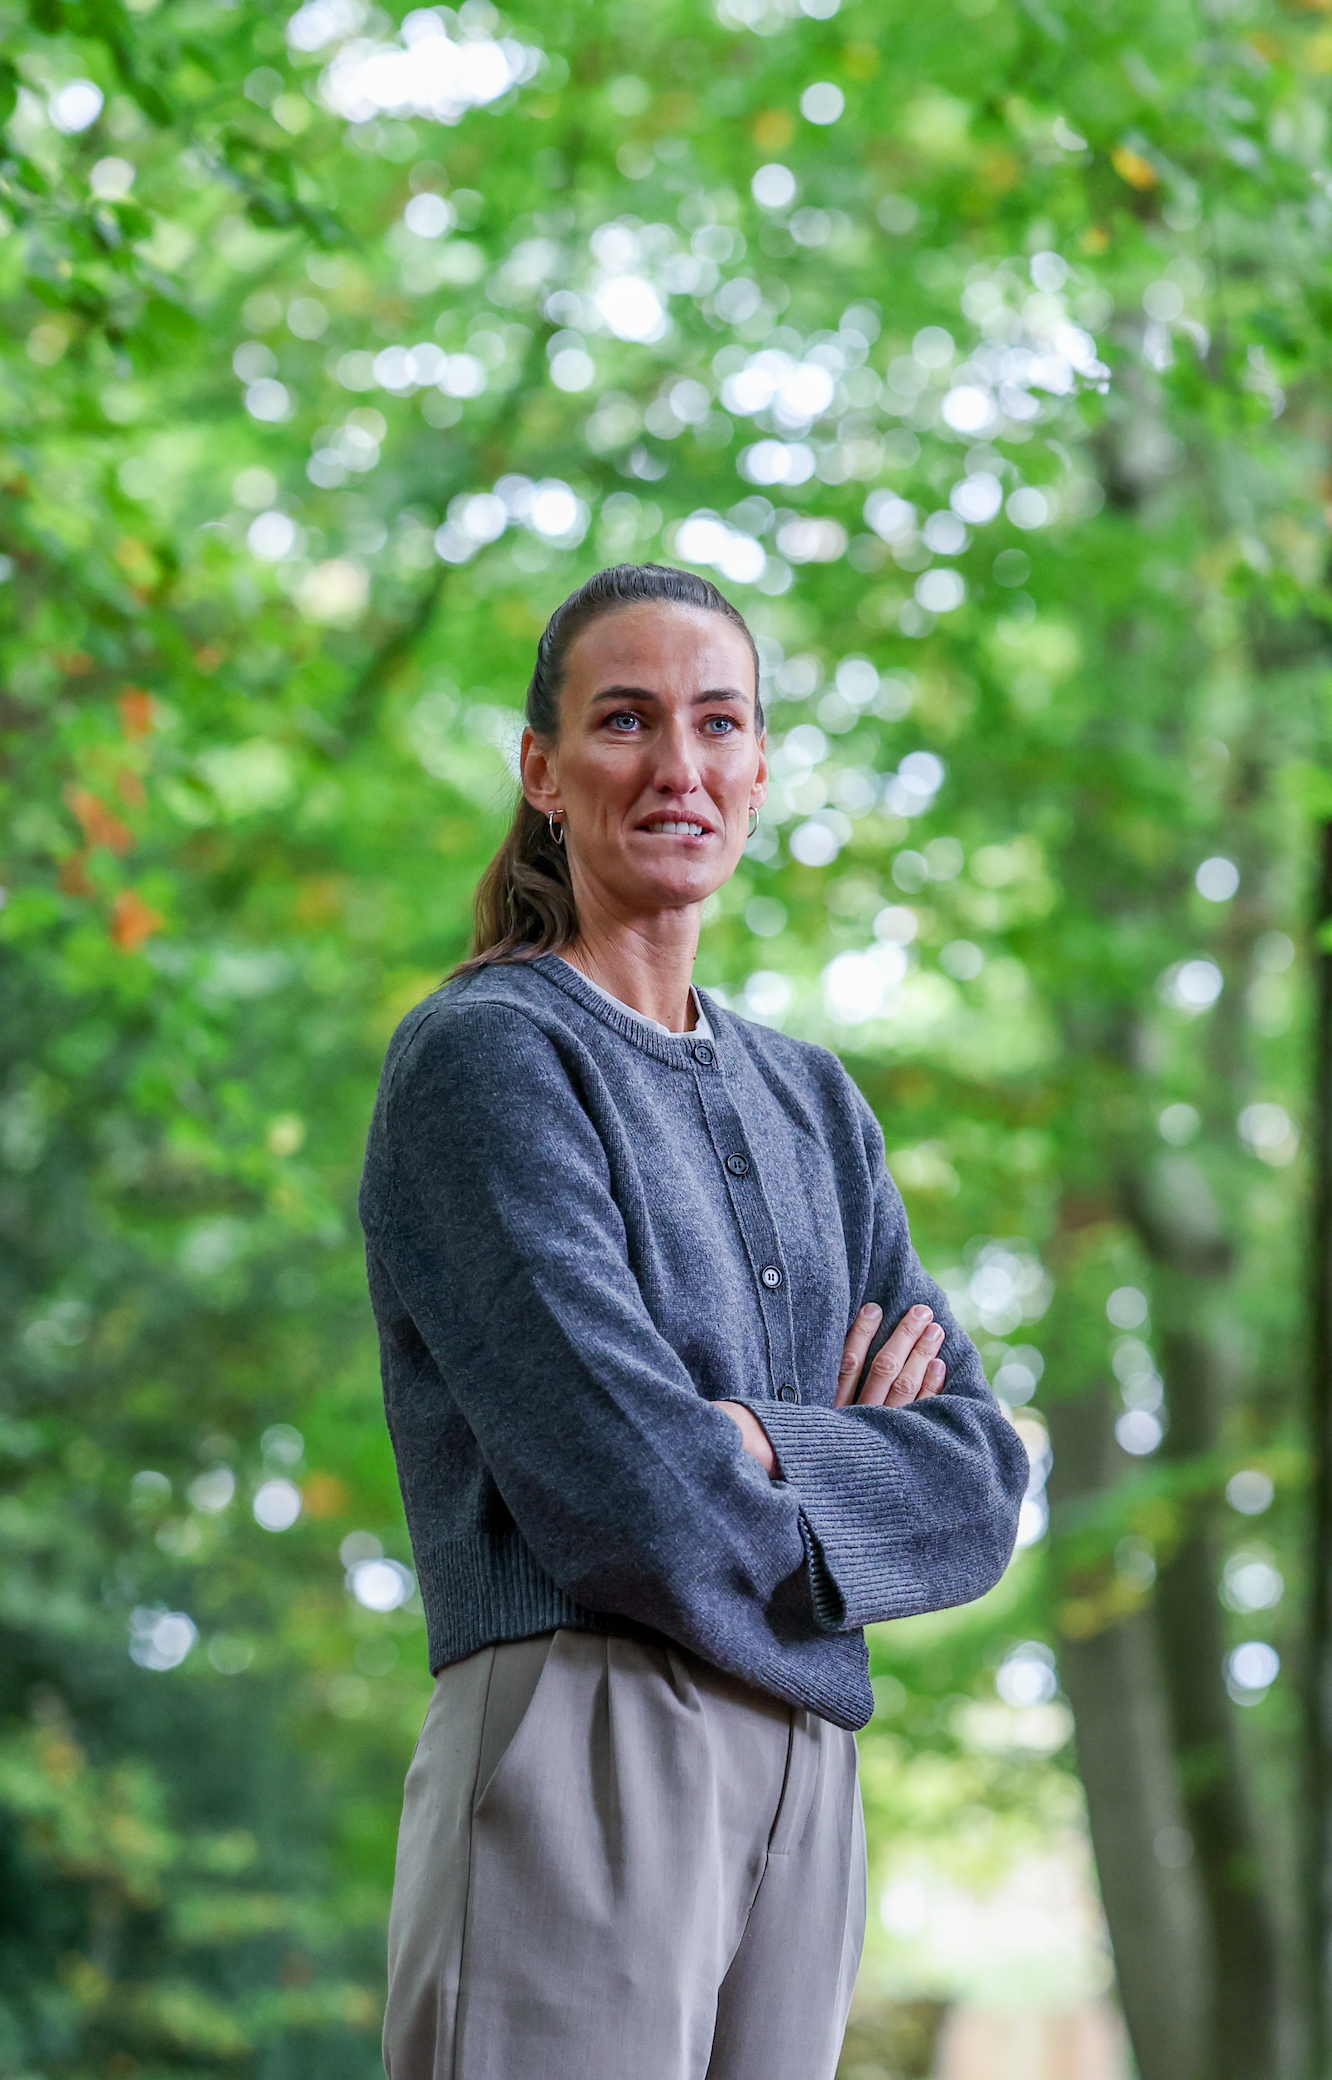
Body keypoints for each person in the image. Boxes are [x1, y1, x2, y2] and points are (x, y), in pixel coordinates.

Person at [360, 563, 1029, 2079]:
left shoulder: (816, 1102)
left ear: (761, 769)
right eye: (625, 721)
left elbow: (981, 1480)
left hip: (811, 1768)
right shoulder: (491, 1059)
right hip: (582, 1725)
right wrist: (838, 1456)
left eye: (718, 725)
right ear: (542, 771)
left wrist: (742, 1440)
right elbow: (622, 1496)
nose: (680, 768)